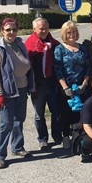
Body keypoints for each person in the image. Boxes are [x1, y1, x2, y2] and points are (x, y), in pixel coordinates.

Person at [0, 18, 34, 169]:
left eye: (14, 29)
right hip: (7, 92)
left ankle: (17, 147)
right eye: (8, 30)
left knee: (19, 120)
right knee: (6, 123)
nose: (11, 32)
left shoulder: (20, 44)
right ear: (2, 31)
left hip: (21, 89)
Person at [25, 17, 62, 150]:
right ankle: (42, 139)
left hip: (52, 84)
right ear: (34, 29)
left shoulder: (54, 43)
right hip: (38, 86)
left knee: (55, 111)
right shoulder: (29, 45)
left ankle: (57, 135)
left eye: (46, 27)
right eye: (41, 28)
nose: (44, 30)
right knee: (39, 114)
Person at [54, 21, 90, 149]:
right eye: (69, 32)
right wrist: (65, 87)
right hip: (66, 88)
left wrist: (84, 84)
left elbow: (87, 67)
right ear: (64, 34)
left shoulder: (82, 48)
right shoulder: (59, 49)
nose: (72, 34)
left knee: (80, 114)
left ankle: (78, 137)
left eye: (74, 32)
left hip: (81, 88)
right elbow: (58, 70)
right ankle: (65, 137)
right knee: (65, 114)